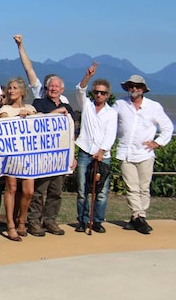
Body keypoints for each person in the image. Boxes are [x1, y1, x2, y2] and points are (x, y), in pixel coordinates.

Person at [114, 75, 173, 235]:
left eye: (137, 86)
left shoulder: (154, 107)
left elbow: (167, 127)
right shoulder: (119, 104)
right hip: (125, 152)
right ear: (127, 88)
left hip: (145, 154)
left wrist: (158, 142)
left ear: (143, 89)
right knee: (131, 187)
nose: (134, 89)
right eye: (131, 86)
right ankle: (139, 216)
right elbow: (109, 121)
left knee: (144, 188)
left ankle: (137, 218)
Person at [74, 63, 117, 234]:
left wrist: (102, 151)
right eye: (97, 92)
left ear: (108, 95)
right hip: (85, 151)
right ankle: (83, 220)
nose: (99, 95)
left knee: (101, 192)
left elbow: (110, 135)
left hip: (102, 155)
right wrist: (87, 77)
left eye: (103, 93)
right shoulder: (87, 106)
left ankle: (97, 220)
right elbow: (79, 90)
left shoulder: (112, 113)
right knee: (82, 190)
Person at [28, 76, 74, 237]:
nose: (53, 89)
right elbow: (37, 122)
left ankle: (50, 220)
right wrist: (56, 113)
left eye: (57, 87)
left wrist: (72, 156)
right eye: (51, 86)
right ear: (46, 89)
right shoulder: (39, 103)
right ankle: (33, 221)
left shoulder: (68, 107)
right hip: (43, 157)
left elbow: (71, 135)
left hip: (60, 158)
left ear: (62, 90)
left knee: (56, 192)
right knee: (39, 191)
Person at [0, 77, 37, 242]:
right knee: (11, 188)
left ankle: (22, 220)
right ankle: (10, 225)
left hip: (28, 156)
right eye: (10, 88)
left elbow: (40, 121)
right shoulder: (5, 108)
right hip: (10, 155)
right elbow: (3, 122)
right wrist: (17, 118)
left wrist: (29, 114)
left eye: (14, 88)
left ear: (22, 91)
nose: (11, 91)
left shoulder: (30, 108)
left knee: (29, 191)